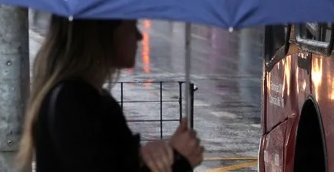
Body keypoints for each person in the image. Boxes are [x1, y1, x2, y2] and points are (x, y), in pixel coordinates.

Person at [17, 16, 204, 171]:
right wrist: (179, 160)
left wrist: (154, 156)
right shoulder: (73, 103)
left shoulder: (85, 99)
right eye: (132, 27)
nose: (139, 37)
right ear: (106, 33)